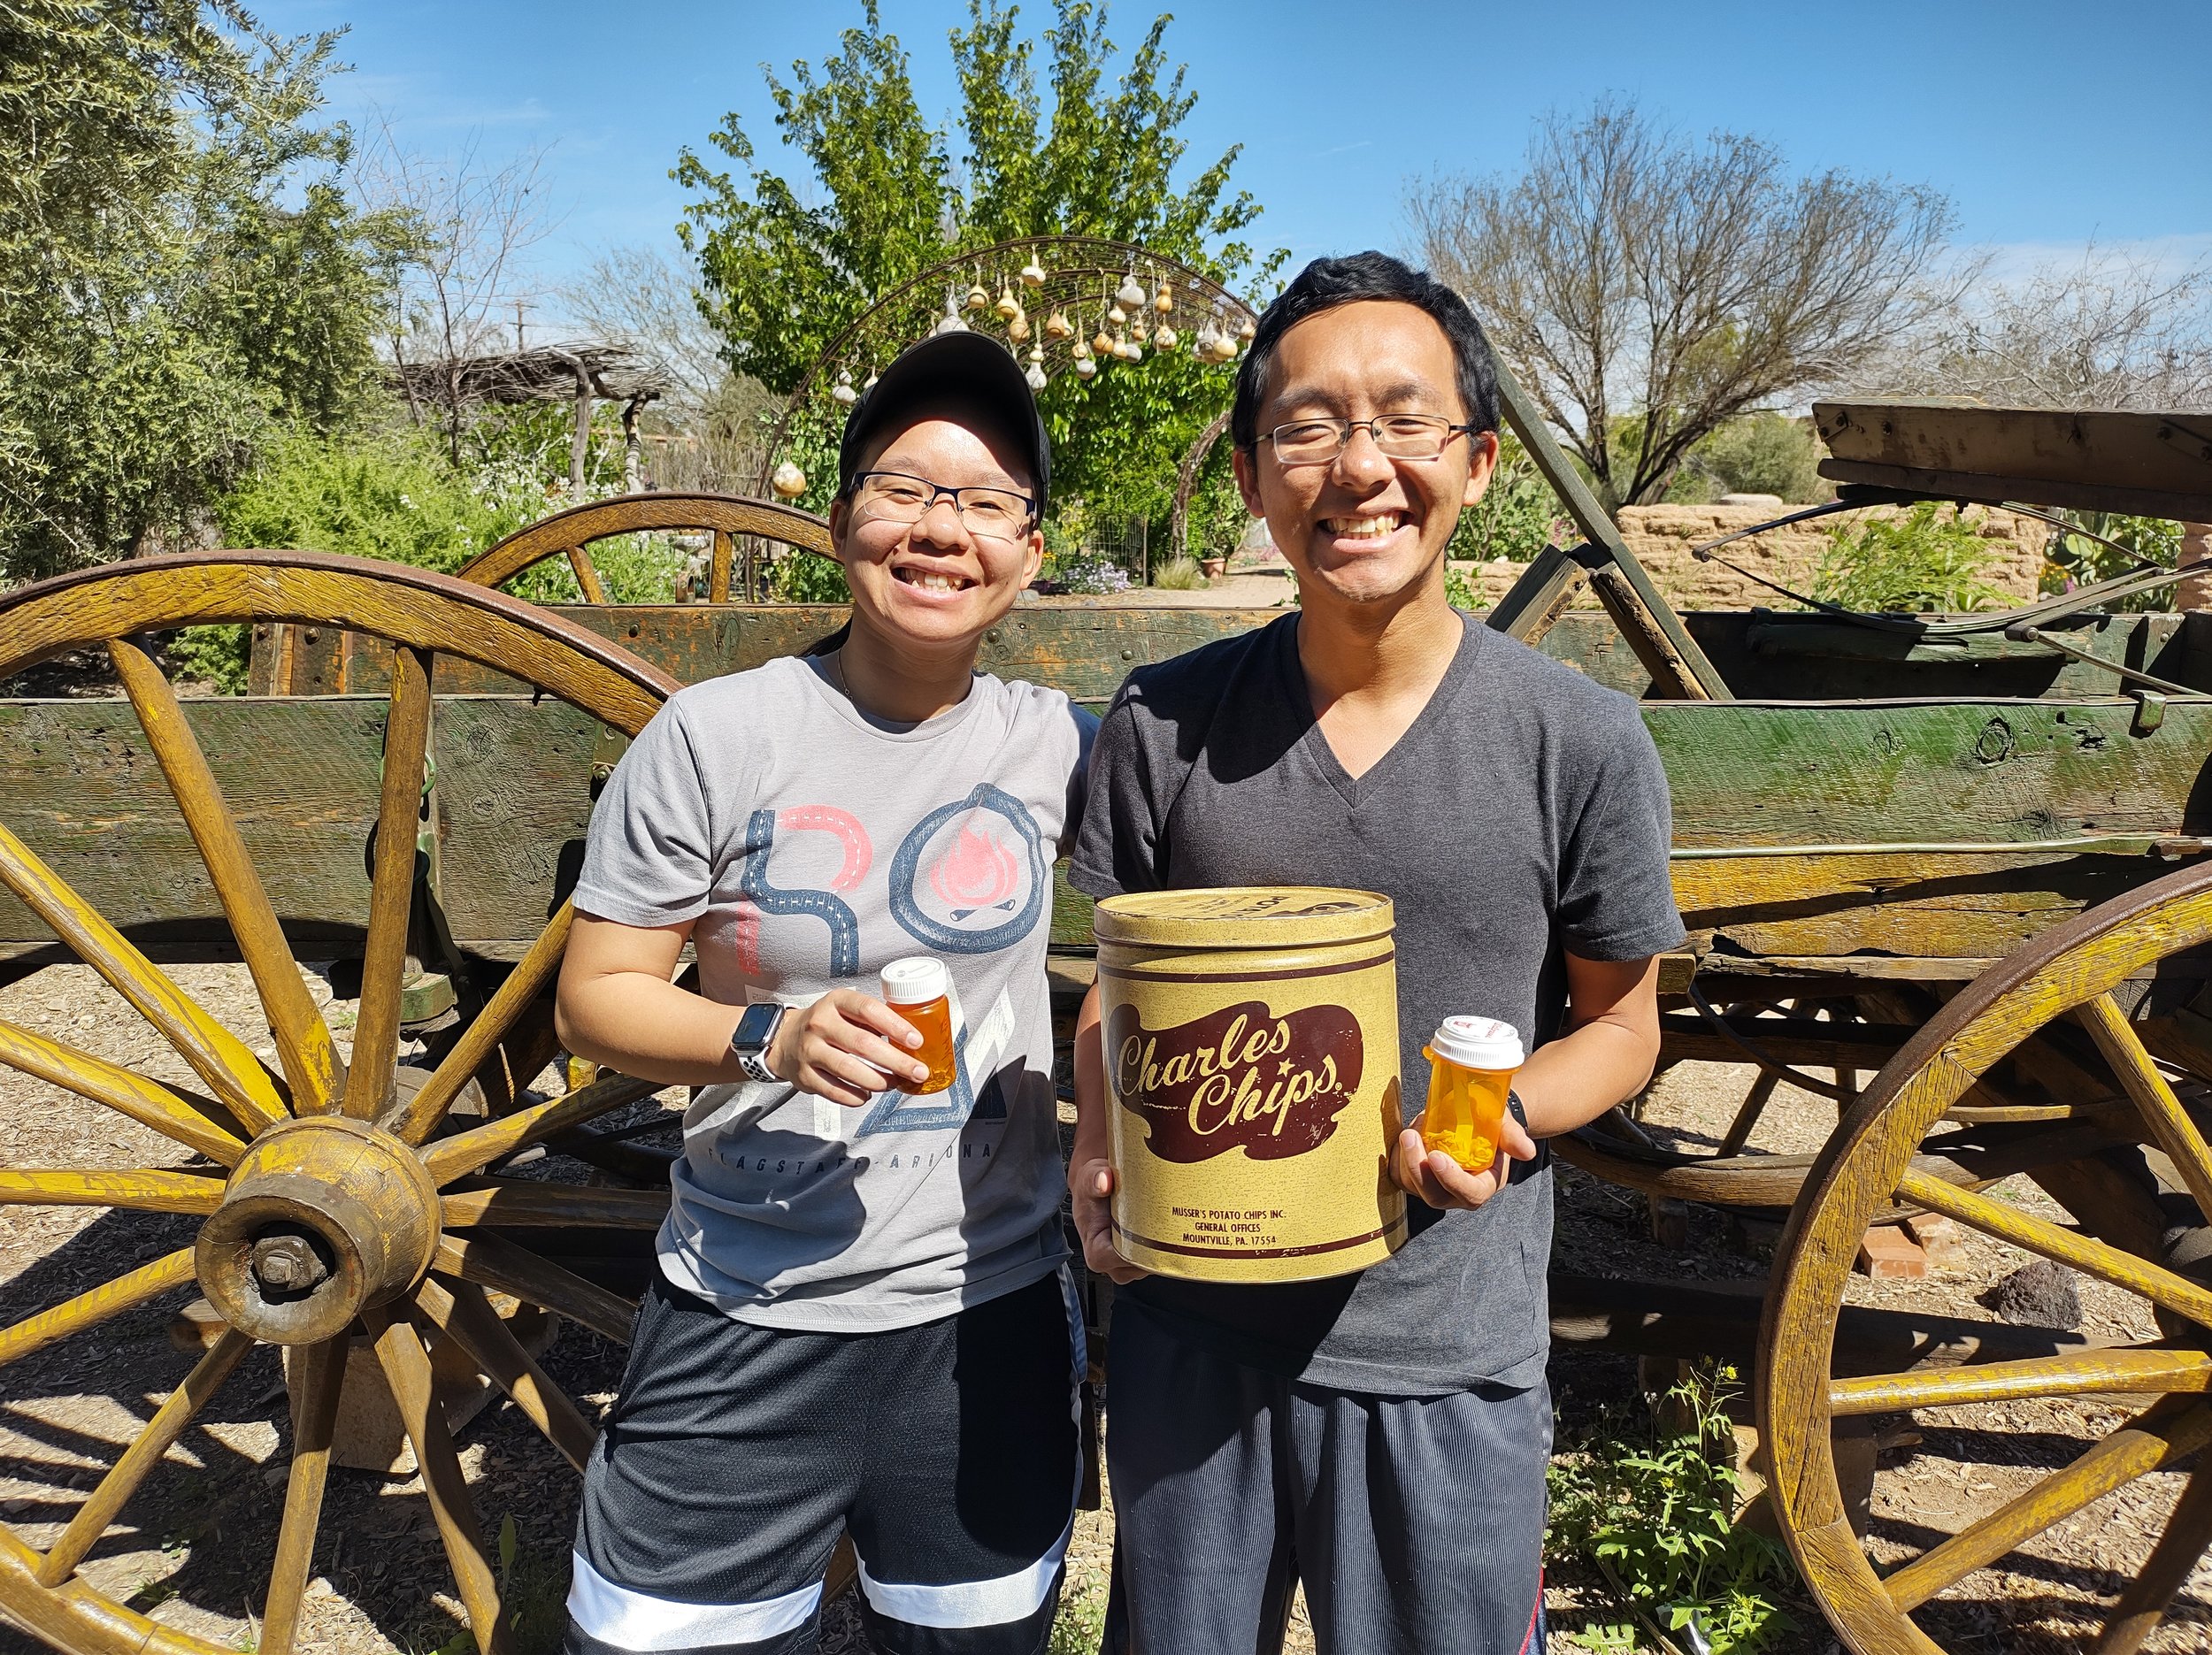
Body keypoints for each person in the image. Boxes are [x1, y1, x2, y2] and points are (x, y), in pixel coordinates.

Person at [1067, 252, 1685, 1655]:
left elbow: (1624, 1029)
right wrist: (1092, 1145)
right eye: (1308, 426)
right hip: (1191, 1335)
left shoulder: (1577, 742)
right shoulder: (1162, 724)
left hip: (1441, 1349)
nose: (1359, 468)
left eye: (1404, 422)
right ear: (1248, 476)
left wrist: (1501, 1114)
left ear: (1473, 462)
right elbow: (1114, 999)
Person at [555, 329, 1094, 1655]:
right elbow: (598, 1000)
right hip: (749, 1302)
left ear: (1028, 552)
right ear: (843, 516)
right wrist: (771, 1035)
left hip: (991, 1319)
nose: (939, 530)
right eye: (905, 488)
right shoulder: (719, 735)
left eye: (983, 503)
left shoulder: (1050, 743)